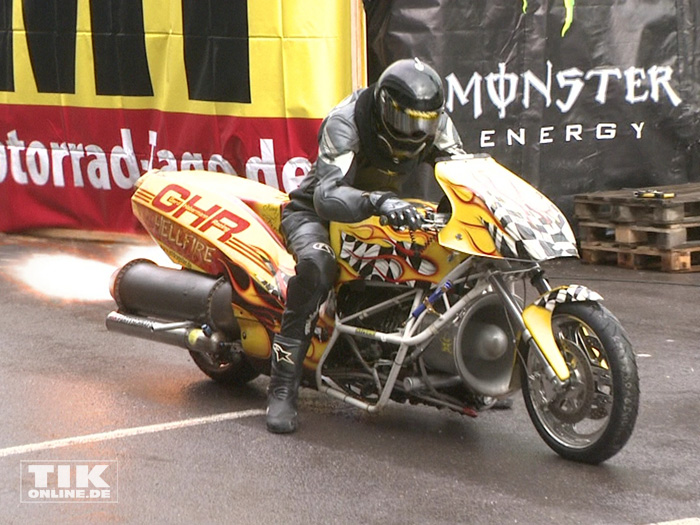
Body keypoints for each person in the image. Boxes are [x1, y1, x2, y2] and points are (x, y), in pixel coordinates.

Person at [266, 57, 467, 434]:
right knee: (317, 269)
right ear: (385, 108)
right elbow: (327, 196)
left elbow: (462, 173)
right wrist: (379, 201)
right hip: (316, 214)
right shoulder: (346, 121)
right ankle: (282, 385)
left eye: (426, 122)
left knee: (452, 260)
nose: (418, 130)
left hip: (380, 213)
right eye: (409, 121)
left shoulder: (433, 125)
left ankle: (457, 373)